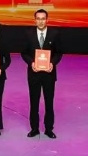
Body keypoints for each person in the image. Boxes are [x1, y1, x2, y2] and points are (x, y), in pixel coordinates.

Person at [21, 8, 63, 139]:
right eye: (38, 19)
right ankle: (34, 128)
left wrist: (52, 63)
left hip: (49, 74)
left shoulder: (54, 34)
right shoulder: (28, 34)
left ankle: (49, 129)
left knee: (49, 102)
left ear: (47, 20)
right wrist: (31, 63)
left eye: (43, 19)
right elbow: (24, 53)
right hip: (34, 74)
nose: (40, 21)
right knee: (34, 102)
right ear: (35, 20)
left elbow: (59, 53)